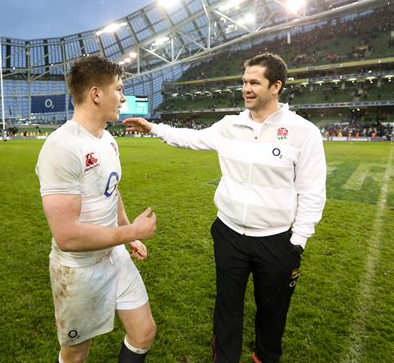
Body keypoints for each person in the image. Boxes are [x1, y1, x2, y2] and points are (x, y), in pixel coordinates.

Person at [123, 52, 326, 363]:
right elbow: (190, 138)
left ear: (276, 86)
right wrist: (153, 128)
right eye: (244, 82)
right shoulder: (229, 125)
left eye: (254, 82)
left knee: (273, 311)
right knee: (227, 307)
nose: (246, 88)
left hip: (276, 241)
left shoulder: (303, 132)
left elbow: (312, 192)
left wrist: (296, 242)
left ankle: (265, 357)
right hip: (229, 233)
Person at [36, 55, 157, 363]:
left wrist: (129, 238)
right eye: (119, 88)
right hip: (79, 268)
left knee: (143, 333)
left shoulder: (108, 140)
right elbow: (67, 237)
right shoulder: (62, 146)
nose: (124, 96)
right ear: (96, 94)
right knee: (77, 353)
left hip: (113, 254)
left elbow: (111, 192)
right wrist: (131, 231)